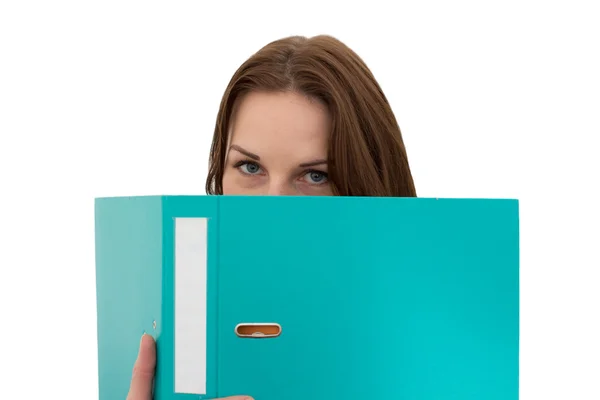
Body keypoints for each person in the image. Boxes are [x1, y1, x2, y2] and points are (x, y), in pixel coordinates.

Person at [126, 34, 417, 400]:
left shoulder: (419, 345)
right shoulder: (186, 328)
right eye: (249, 167)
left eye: (315, 176)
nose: (272, 205)